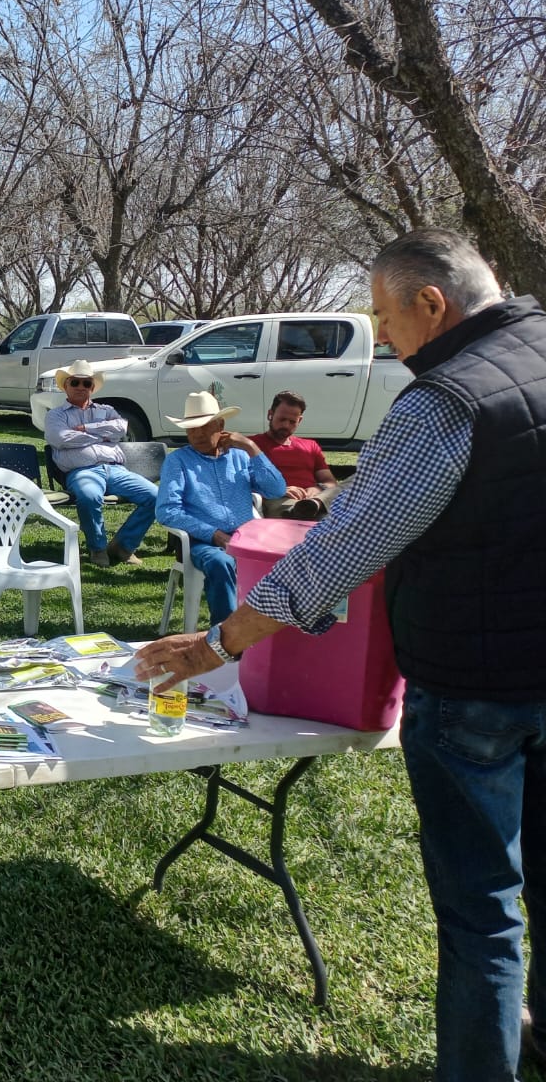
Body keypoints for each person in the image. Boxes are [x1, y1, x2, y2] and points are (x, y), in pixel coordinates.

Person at [136, 228, 546, 1082]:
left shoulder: (445, 402)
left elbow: (343, 552)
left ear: (432, 303)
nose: (383, 337)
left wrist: (220, 641)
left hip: (477, 690)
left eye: (385, 317)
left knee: (482, 916)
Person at [154, 391, 286, 625]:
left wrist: (251, 448)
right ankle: (226, 634)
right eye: (191, 428)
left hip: (246, 538)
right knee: (221, 561)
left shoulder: (240, 456)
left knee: (283, 557)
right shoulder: (179, 461)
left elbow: (275, 490)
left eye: (204, 426)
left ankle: (271, 631)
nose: (197, 434)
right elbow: (167, 510)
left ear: (221, 425)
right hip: (202, 541)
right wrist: (214, 535)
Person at [43, 359, 158, 567]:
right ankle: (97, 548)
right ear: (65, 386)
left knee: (156, 497)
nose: (80, 387)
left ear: (92, 387)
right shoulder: (55, 415)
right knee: (88, 496)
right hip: (82, 471)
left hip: (115, 469)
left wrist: (86, 429)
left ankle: (123, 546)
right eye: (75, 382)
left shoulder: (106, 410)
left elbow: (121, 429)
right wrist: (102, 435)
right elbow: (60, 439)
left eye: (86, 383)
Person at [251, 390, 341, 520]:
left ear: (300, 420)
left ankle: (315, 507)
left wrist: (317, 489)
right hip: (280, 499)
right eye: (282, 419)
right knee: (297, 513)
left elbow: (330, 482)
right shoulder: (252, 445)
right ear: (270, 414)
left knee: (346, 487)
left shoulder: (310, 446)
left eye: (292, 422)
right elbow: (241, 483)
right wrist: (278, 490)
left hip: (315, 499)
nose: (286, 425)